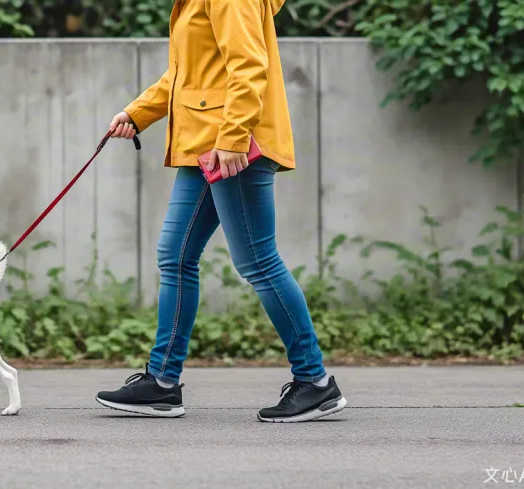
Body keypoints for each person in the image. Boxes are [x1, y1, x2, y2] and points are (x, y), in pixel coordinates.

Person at [94, 0, 347, 422]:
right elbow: (186, 77)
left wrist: (232, 139)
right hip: (205, 147)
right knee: (174, 256)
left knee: (258, 263)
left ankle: (315, 382)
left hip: (232, 147)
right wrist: (137, 113)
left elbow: (249, 66)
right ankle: (162, 383)